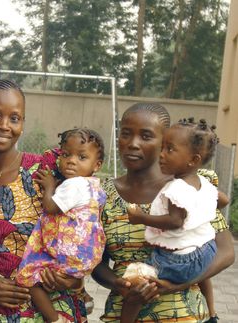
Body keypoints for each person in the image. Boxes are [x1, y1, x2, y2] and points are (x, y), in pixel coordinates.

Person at [91, 102, 235, 322]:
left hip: (186, 315)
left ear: (164, 142)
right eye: (126, 134)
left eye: (146, 136)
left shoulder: (190, 187)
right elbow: (96, 263)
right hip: (123, 311)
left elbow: (226, 252)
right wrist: (117, 284)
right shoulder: (102, 195)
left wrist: (174, 284)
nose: (133, 144)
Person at [0, 79, 88, 322]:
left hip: (53, 309)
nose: (3, 125)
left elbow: (85, 223)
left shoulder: (45, 171)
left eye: (14, 118)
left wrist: (74, 277)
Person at [121, 117, 227, 322]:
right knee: (201, 269)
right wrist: (200, 209)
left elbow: (175, 221)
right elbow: (223, 199)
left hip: (176, 260)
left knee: (134, 288)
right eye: (163, 147)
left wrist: (140, 217)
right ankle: (212, 314)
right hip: (205, 251)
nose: (161, 155)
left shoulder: (176, 188)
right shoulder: (203, 183)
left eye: (169, 150)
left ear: (193, 160)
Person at [16, 128, 107, 323]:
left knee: (29, 276)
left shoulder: (73, 184)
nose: (72, 161)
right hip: (86, 255)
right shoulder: (95, 186)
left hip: (68, 252)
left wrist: (49, 185)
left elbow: (50, 207)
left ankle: (54, 319)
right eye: (66, 154)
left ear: (97, 164)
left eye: (82, 157)